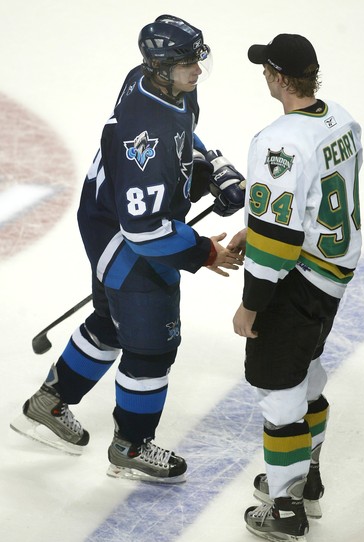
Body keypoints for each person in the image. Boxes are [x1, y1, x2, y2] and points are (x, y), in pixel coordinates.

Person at [10, 15, 246, 484]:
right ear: (160, 68)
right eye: (185, 64)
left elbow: (182, 137)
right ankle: (131, 445)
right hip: (124, 239)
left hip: (105, 218)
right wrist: (204, 252)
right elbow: (144, 230)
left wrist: (211, 164)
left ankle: (48, 402)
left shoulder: (152, 84)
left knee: (110, 323)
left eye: (198, 59)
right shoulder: (145, 134)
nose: (196, 70)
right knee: (153, 346)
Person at [229, 34, 362, 542]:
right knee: (307, 374)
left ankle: (285, 508)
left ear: (282, 78)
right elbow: (310, 202)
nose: (264, 74)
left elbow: (279, 244)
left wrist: (250, 305)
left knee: (279, 392)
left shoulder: (278, 140)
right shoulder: (342, 119)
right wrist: (260, 225)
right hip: (333, 277)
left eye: (267, 69)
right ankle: (309, 482)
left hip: (298, 283)